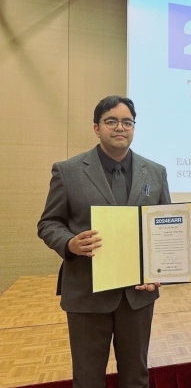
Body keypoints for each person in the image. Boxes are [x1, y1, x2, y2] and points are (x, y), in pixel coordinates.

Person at [37, 95, 171, 388]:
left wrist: (160, 273)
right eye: (111, 121)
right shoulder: (68, 171)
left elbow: (165, 229)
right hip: (87, 292)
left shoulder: (156, 172)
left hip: (137, 294)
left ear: (134, 127)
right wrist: (70, 243)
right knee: (87, 379)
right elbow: (48, 223)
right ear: (97, 128)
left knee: (136, 377)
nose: (119, 127)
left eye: (127, 122)